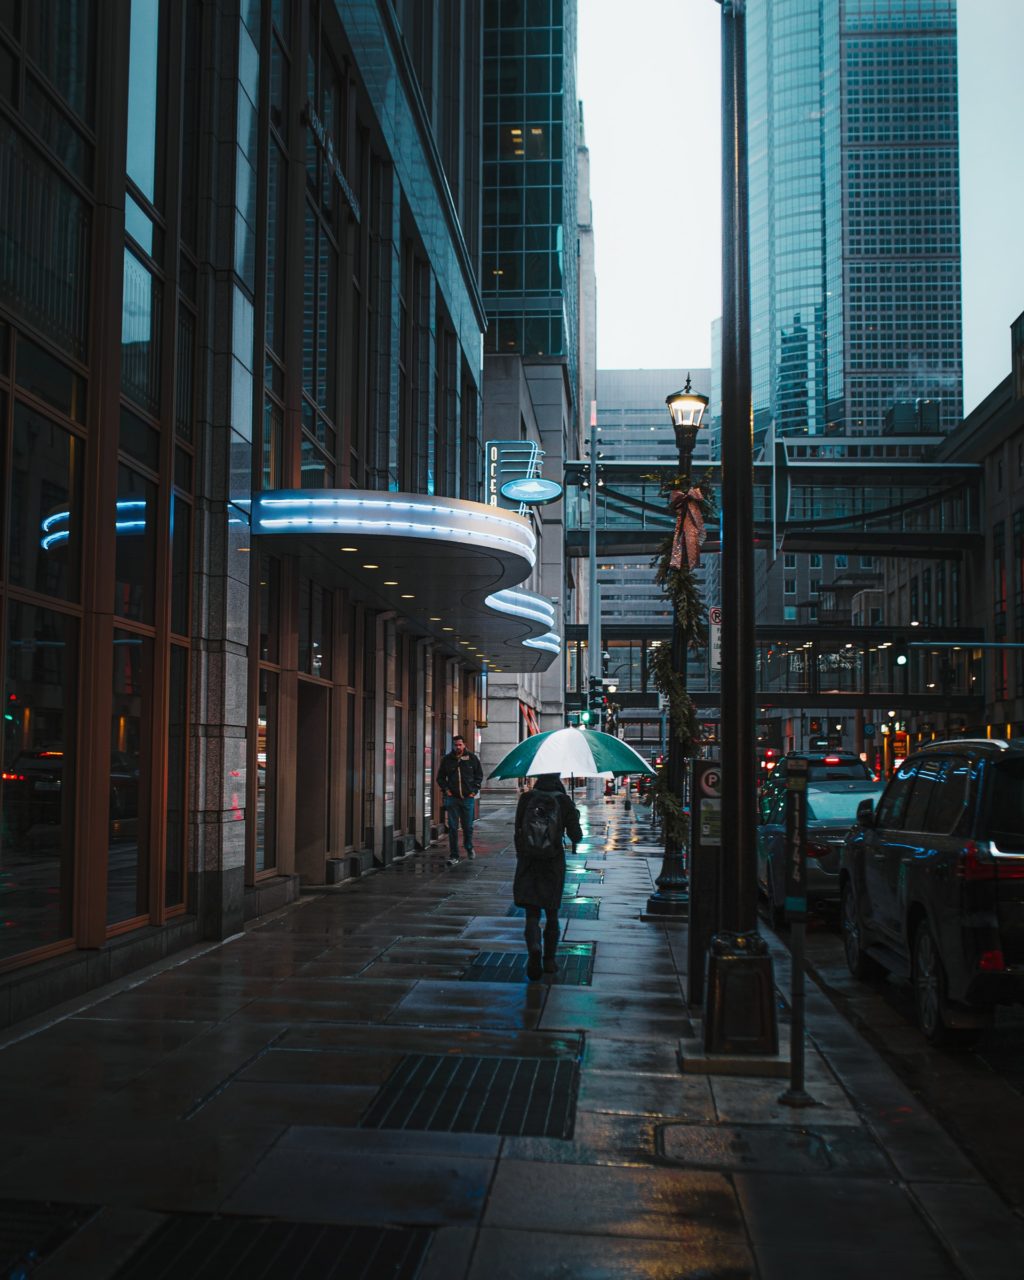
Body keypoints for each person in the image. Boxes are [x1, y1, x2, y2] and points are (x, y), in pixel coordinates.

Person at [513, 773, 583, 980]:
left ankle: (534, 946)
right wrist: (574, 815)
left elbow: (518, 830)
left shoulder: (526, 798)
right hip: (553, 862)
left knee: (531, 913)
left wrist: (522, 855)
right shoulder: (563, 801)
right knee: (551, 912)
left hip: (528, 861)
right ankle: (549, 960)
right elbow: (576, 836)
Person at [436, 734, 483, 865]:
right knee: (452, 828)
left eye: (460, 745)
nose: (458, 747)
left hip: (468, 799)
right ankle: (454, 855)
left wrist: (474, 791)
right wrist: (447, 790)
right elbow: (440, 778)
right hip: (453, 799)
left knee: (468, 827)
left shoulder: (472, 759)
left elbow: (479, 776)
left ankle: (468, 847)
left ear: (464, 745)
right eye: (456, 745)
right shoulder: (447, 760)